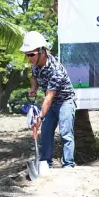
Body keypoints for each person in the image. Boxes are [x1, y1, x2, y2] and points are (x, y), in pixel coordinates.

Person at [20, 31, 76, 168]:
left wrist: (40, 117)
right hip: (51, 102)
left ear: (42, 52)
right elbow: (34, 77)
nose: (29, 58)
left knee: (65, 132)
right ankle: (45, 163)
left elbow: (49, 97)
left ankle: (68, 165)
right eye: (27, 55)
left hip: (65, 101)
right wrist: (33, 88)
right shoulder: (35, 64)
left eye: (31, 54)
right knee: (46, 132)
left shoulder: (55, 69)